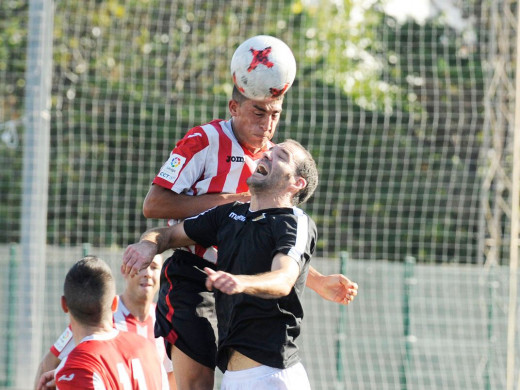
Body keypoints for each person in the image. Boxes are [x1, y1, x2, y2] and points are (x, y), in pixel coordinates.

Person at [142, 86, 360, 390]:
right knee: (193, 382)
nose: (268, 125)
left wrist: (315, 280)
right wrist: (149, 243)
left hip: (255, 337)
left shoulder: (277, 188)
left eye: (275, 115)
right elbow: (153, 208)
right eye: (259, 112)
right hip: (195, 273)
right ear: (234, 107)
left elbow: (277, 261)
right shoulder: (207, 143)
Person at [35, 256, 170, 390]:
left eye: (154, 267)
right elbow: (48, 364)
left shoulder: (164, 320)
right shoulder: (146, 347)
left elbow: (172, 377)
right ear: (114, 303)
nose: (147, 273)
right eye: (141, 267)